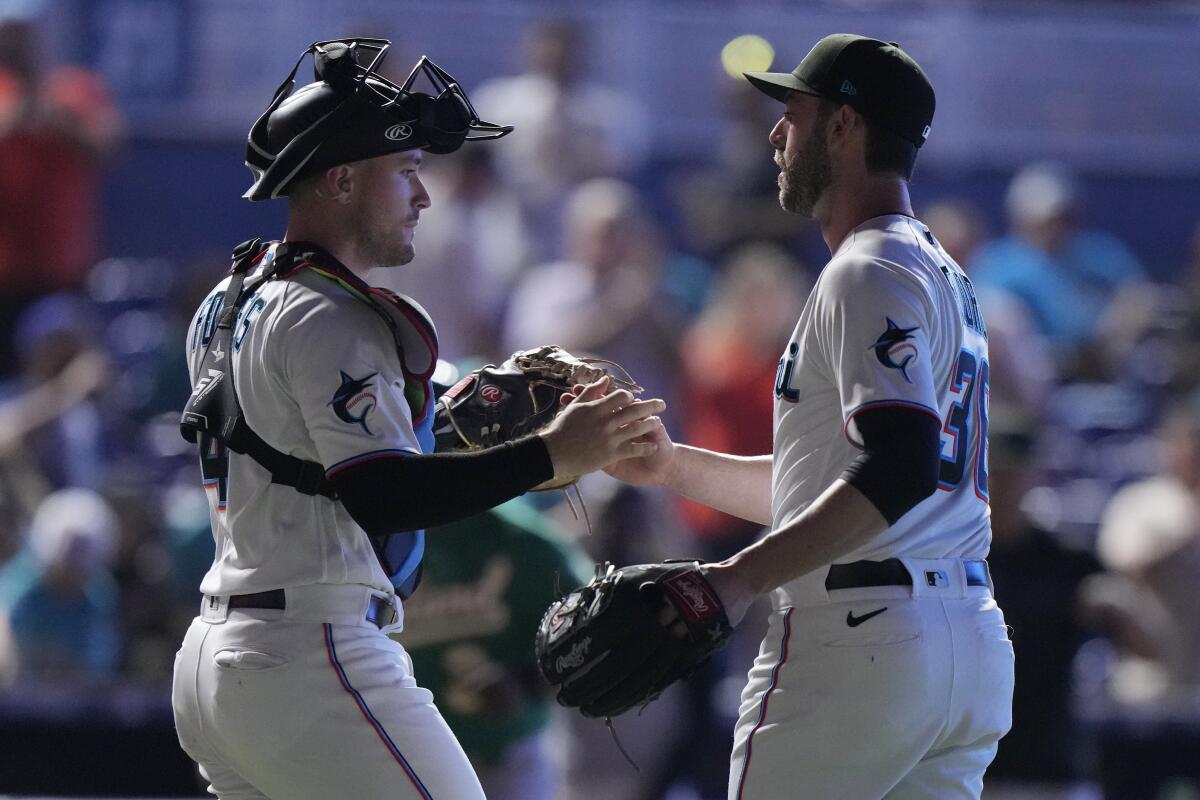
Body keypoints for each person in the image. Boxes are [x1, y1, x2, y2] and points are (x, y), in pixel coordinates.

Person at [170, 38, 664, 800]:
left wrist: (440, 422)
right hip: (311, 650)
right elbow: (383, 496)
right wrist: (550, 456)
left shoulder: (228, 298)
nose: (423, 197)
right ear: (340, 181)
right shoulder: (337, 317)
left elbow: (301, 450)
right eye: (404, 173)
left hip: (220, 655)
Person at [607, 34, 1014, 798]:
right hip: (960, 636)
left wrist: (735, 579)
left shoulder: (867, 267)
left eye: (791, 113)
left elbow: (898, 466)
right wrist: (672, 467)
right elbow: (843, 488)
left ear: (842, 127)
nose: (774, 134)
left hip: (861, 636)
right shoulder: (938, 268)